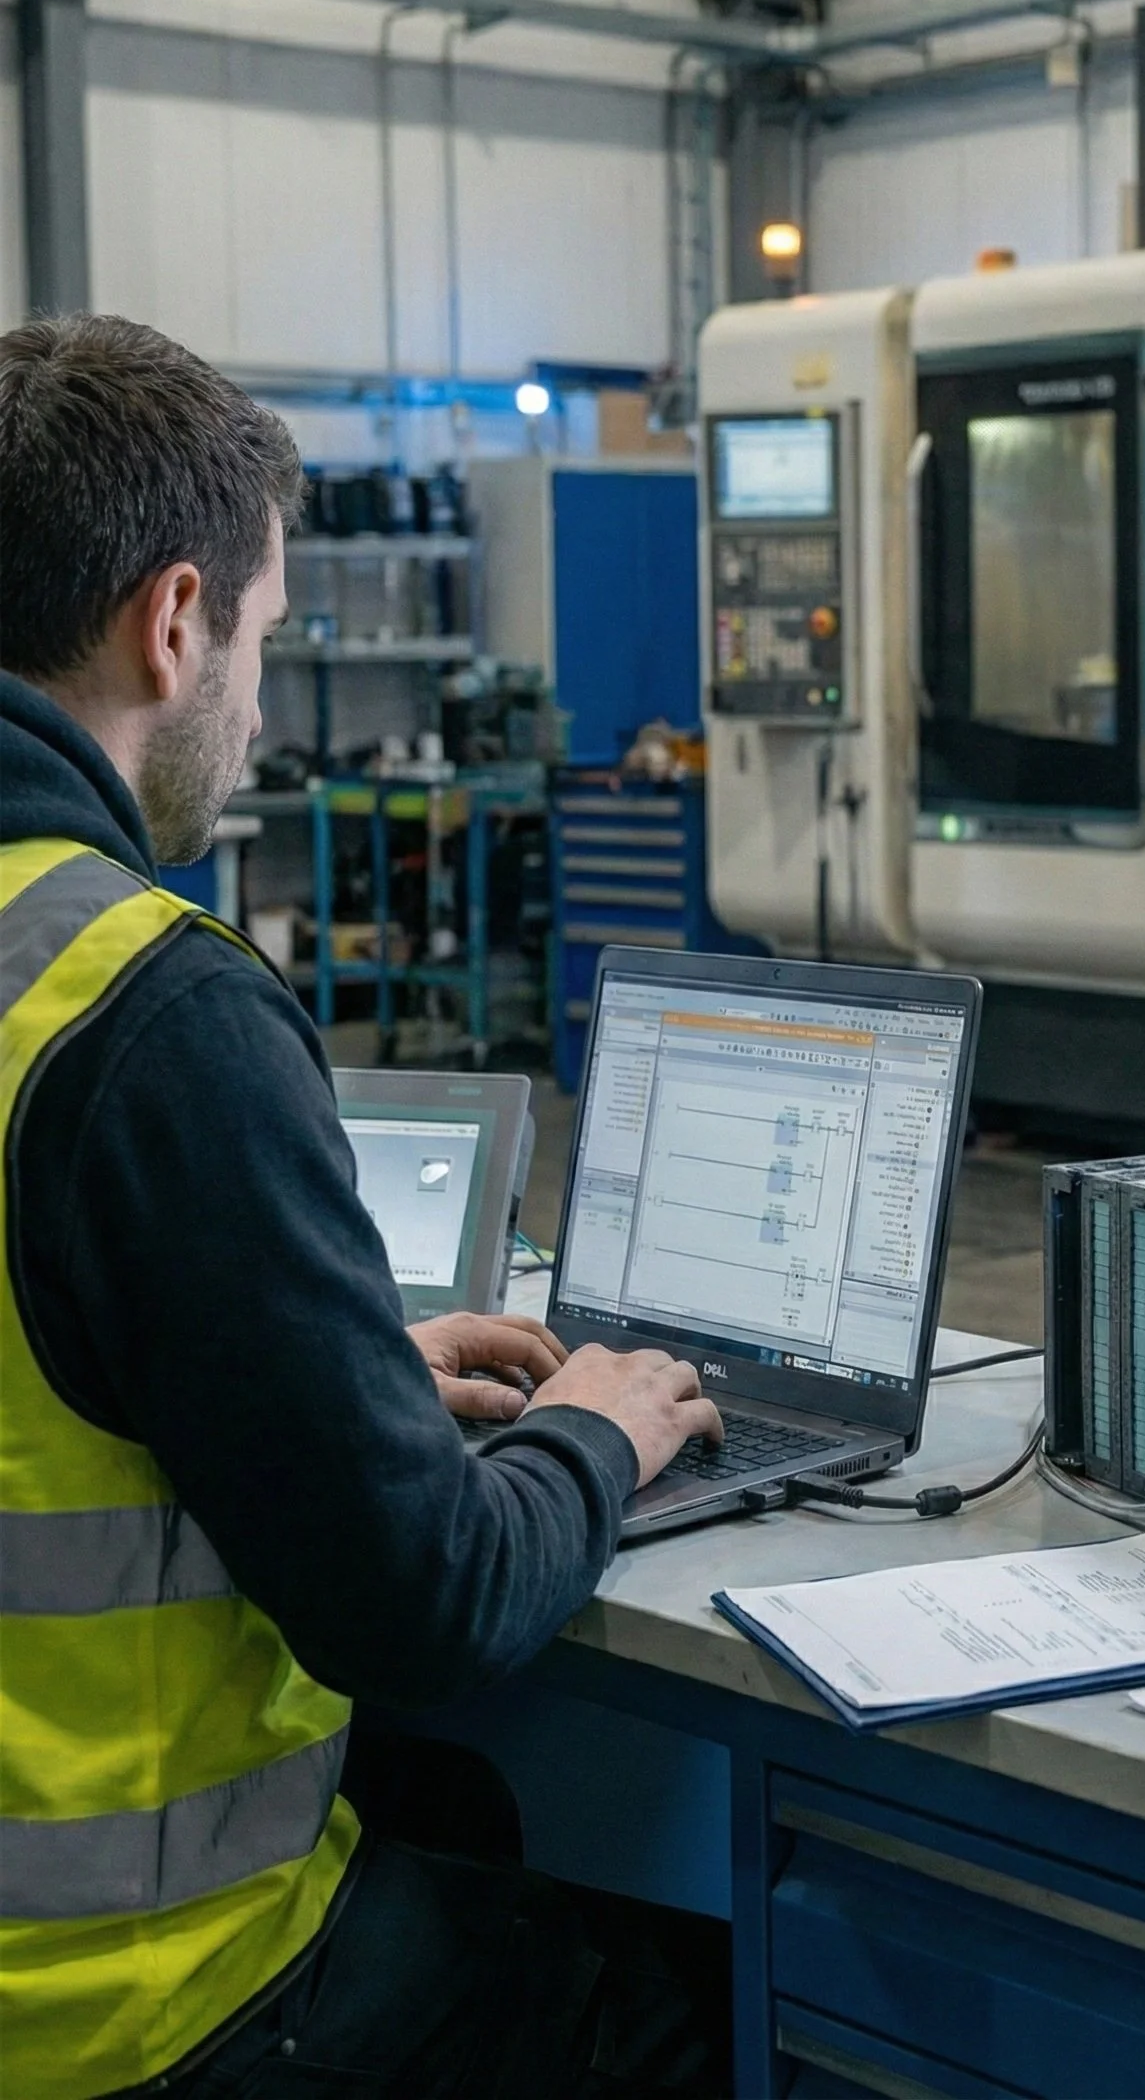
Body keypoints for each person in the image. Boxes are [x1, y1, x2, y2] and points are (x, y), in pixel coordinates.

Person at [0, 315, 731, 2099]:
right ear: (174, 623)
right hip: (127, 2004)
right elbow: (429, 1603)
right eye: (261, 637)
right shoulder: (146, 1009)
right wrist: (596, 1432)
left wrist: (339, 1381)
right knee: (704, 2001)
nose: (255, 706)